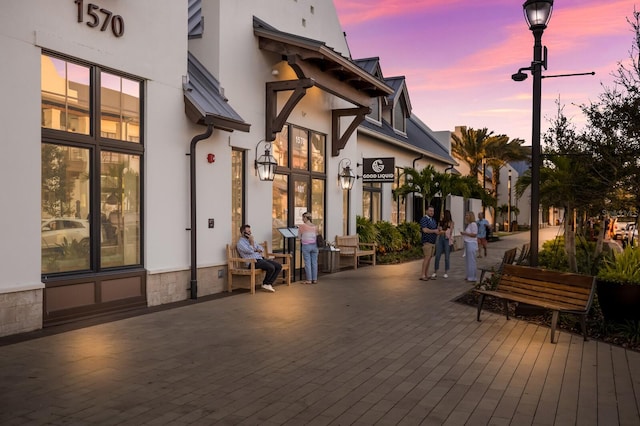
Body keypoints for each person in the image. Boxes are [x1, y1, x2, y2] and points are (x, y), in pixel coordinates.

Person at [236, 224, 282, 292]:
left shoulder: (251, 240)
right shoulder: (240, 243)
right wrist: (252, 244)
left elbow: (261, 248)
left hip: (260, 259)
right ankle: (266, 283)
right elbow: (250, 251)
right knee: (271, 267)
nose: (250, 233)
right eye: (248, 232)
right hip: (252, 262)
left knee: (278, 266)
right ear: (243, 232)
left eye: (250, 231)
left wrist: (255, 247)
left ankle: (268, 283)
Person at [298, 211, 319, 284]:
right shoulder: (315, 226)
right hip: (314, 246)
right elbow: (316, 235)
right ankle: (315, 279)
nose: (302, 219)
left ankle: (309, 280)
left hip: (306, 246)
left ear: (306, 218)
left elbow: (299, 237)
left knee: (307, 263)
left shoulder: (302, 226)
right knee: (314, 262)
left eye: (303, 218)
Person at [419, 205, 439, 281]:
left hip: (433, 242)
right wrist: (434, 231)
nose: (432, 212)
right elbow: (425, 230)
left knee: (429, 258)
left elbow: (435, 230)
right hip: (427, 241)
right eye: (430, 211)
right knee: (426, 258)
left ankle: (426, 274)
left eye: (433, 211)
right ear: (426, 211)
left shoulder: (433, 220)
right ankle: (422, 275)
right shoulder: (424, 219)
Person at [433, 209, 454, 279]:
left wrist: (443, 232)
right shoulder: (440, 222)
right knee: (437, 255)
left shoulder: (450, 222)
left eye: (443, 214)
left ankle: (446, 272)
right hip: (440, 239)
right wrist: (439, 229)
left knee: (447, 257)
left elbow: (450, 232)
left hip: (447, 240)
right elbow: (438, 231)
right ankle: (435, 271)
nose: (441, 215)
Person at [461, 211, 479, 283]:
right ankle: (469, 275)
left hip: (471, 244)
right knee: (468, 261)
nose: (466, 216)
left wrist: (465, 233)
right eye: (466, 215)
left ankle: (472, 277)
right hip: (468, 243)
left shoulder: (473, 224)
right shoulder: (469, 224)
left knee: (471, 261)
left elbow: (474, 234)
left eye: (467, 215)